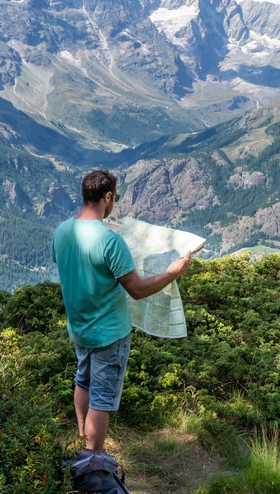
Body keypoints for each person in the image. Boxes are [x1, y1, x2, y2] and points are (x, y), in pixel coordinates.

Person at [52, 170, 193, 455]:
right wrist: (173, 272)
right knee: (101, 400)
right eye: (115, 197)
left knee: (83, 380)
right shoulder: (110, 240)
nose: (114, 202)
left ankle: (81, 440)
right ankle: (92, 461)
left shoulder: (62, 231)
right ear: (106, 197)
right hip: (109, 332)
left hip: (79, 327)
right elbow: (137, 290)